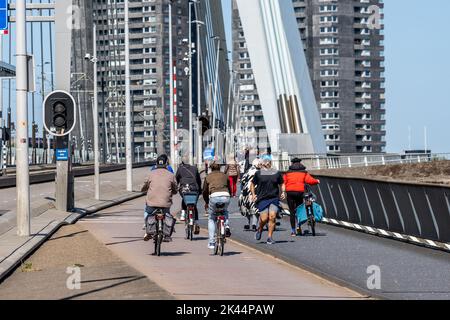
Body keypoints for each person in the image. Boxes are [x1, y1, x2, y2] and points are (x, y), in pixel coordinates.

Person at [141, 155, 178, 241]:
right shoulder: (171, 175)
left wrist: (143, 190)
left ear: (156, 164)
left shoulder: (151, 173)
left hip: (152, 202)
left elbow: (145, 185)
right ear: (166, 164)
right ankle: (167, 234)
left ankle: (147, 230)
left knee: (147, 212)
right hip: (165, 203)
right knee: (167, 214)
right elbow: (175, 188)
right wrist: (174, 192)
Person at [250, 155, 286, 245]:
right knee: (264, 218)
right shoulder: (259, 173)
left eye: (268, 161)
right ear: (263, 163)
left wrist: (283, 192)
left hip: (273, 198)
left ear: (270, 162)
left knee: (272, 216)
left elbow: (282, 183)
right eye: (265, 161)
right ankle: (260, 229)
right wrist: (253, 194)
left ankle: (269, 237)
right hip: (262, 198)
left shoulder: (276, 173)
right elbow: (252, 184)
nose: (267, 163)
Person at [283, 158, 320, 236]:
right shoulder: (304, 172)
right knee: (299, 210)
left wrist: (283, 191)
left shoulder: (287, 173)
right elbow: (310, 180)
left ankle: (293, 231)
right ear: (300, 163)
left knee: (292, 212)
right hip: (300, 192)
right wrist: (317, 181)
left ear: (292, 163)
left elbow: (284, 182)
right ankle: (298, 227)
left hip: (290, 192)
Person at [203, 161, 232, 249]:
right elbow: (229, 188)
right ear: (220, 167)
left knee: (211, 218)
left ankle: (211, 242)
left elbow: (204, 191)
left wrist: (207, 202)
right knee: (225, 211)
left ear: (211, 168)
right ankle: (226, 225)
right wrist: (228, 195)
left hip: (214, 196)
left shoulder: (208, 177)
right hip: (225, 195)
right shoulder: (225, 175)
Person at [176, 156, 202, 234]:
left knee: (184, 198)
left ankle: (183, 213)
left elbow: (176, 179)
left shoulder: (180, 169)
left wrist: (176, 186)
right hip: (194, 189)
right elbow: (199, 180)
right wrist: (199, 189)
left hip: (184, 188)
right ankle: (196, 222)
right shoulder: (195, 168)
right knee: (194, 205)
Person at [239, 158, 262, 231]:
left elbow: (242, 181)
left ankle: (248, 223)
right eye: (260, 164)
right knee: (255, 208)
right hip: (254, 192)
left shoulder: (248, 171)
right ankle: (254, 224)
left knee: (246, 208)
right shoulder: (259, 172)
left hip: (245, 192)